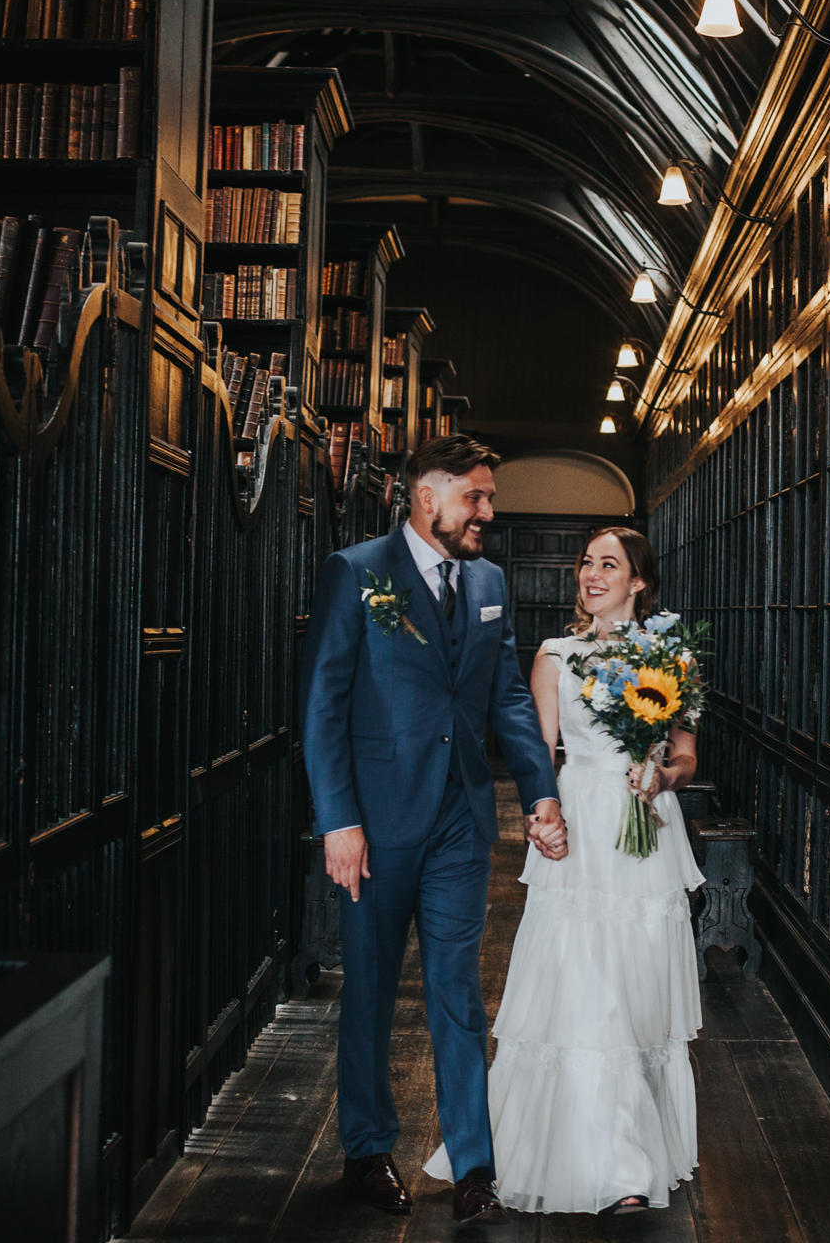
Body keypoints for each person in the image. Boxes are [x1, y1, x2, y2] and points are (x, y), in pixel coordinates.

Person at [299, 435, 571, 1226]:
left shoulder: (488, 580)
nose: (489, 511)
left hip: (460, 820)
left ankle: (475, 1168)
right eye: (476, 498)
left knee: (458, 993)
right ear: (427, 497)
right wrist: (338, 820)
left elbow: (509, 702)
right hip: (376, 826)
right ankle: (366, 1150)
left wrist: (540, 793)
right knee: (373, 992)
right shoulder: (356, 572)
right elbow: (322, 706)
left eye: (489, 498)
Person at [424, 526, 703, 1214]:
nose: (590, 574)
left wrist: (663, 775)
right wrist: (541, 817)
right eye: (586, 562)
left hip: (644, 836)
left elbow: (688, 754)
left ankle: (630, 1150)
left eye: (608, 564)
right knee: (588, 991)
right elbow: (536, 751)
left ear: (639, 582)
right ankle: (619, 1171)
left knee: (633, 992)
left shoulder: (672, 656)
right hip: (579, 833)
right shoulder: (555, 655)